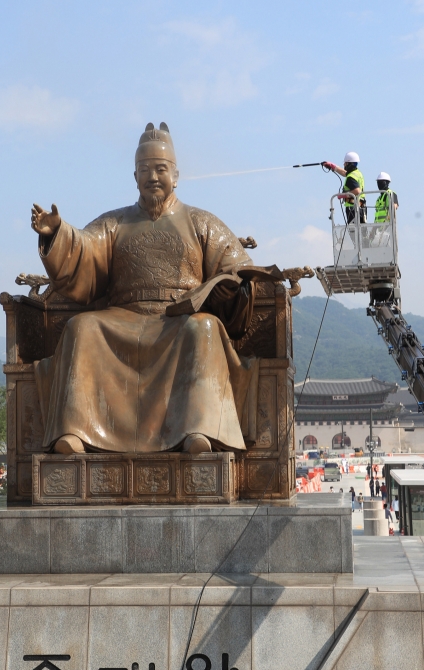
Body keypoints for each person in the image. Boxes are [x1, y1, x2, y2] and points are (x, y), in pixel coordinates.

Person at [30, 122, 258, 455]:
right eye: (144, 170)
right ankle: (75, 431)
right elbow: (84, 249)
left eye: (160, 169)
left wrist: (231, 287)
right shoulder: (114, 223)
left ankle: (198, 430)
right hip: (123, 316)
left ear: (176, 175)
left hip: (180, 319)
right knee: (82, 327)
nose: (152, 176)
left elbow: (237, 267)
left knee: (204, 328)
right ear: (134, 177)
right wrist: (57, 234)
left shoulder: (201, 222)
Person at [322, 152, 365, 223]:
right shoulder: (357, 173)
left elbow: (357, 191)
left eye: (345, 163)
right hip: (360, 207)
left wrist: (343, 195)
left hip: (353, 209)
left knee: (353, 232)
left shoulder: (351, 177)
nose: (344, 165)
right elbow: (344, 173)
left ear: (349, 164)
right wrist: (332, 166)